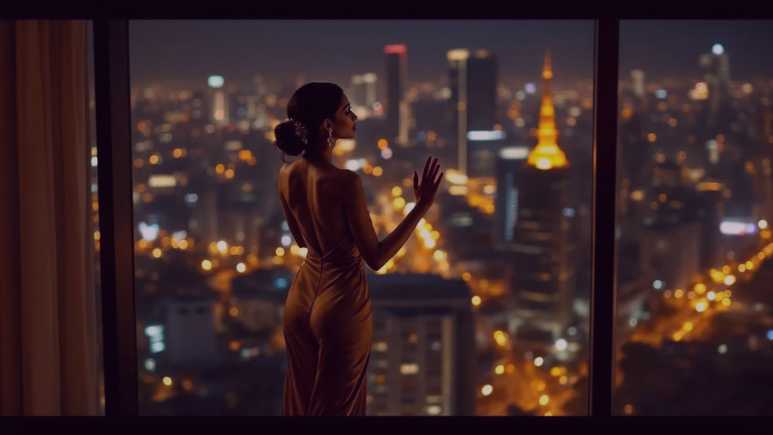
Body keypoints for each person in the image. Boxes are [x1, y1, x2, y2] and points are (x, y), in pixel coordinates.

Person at [273, 82, 443, 416]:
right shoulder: (344, 182)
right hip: (341, 301)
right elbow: (376, 258)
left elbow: (302, 240)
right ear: (327, 125)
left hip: (301, 297)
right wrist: (421, 207)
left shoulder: (286, 174)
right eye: (346, 111)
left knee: (300, 404)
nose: (354, 117)